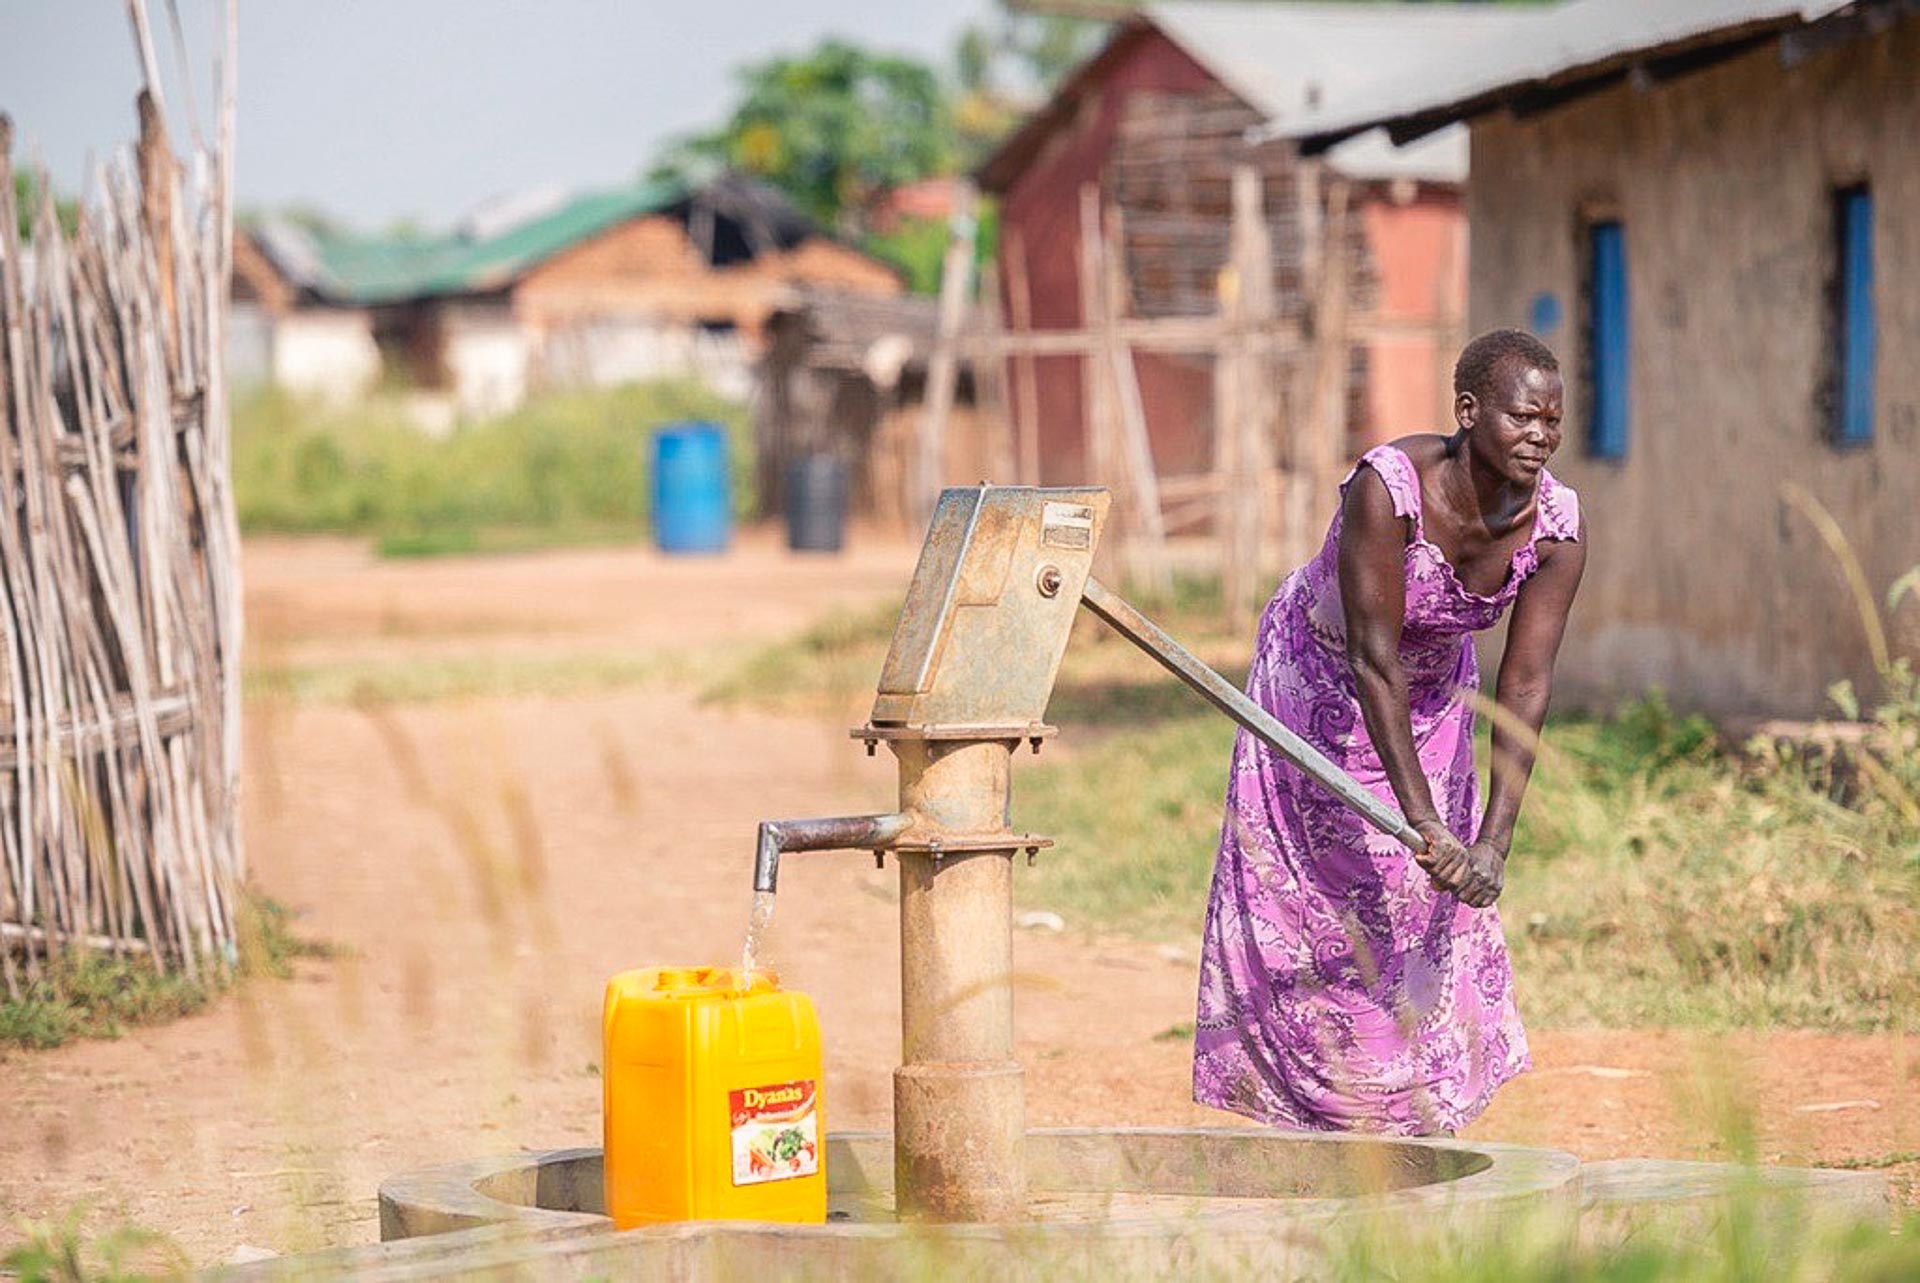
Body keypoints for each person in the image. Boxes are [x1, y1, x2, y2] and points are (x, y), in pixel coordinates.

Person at [1192, 329, 1586, 1135]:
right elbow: (1375, 658)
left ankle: (1404, 1108)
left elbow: (1528, 680)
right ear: (1468, 412)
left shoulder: (1557, 528)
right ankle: (1325, 1106)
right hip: (1321, 682)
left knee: (1424, 902)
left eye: (1552, 420)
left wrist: (1491, 843)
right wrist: (1424, 821)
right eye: (1522, 418)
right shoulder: (1389, 488)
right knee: (1326, 895)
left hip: (1435, 701)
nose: (1540, 436)